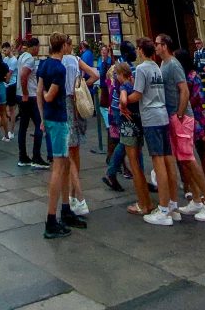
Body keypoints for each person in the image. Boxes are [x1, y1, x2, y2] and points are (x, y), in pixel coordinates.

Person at [155, 33, 205, 222]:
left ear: (165, 46)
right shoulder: (164, 64)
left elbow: (184, 90)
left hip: (180, 117)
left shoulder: (173, 64)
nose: (156, 47)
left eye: (158, 44)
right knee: (183, 160)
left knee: (189, 159)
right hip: (173, 116)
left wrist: (181, 114)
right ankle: (197, 200)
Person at [37, 32, 85, 238]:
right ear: (63, 47)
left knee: (65, 165)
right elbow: (48, 95)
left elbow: (39, 92)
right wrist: (48, 102)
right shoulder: (59, 67)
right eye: (68, 45)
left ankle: (66, 210)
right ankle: (50, 220)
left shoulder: (44, 64)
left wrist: (41, 118)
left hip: (51, 120)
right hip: (58, 121)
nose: (69, 47)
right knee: (58, 168)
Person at [125, 37, 177, 226]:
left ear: (140, 50)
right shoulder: (157, 66)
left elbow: (137, 94)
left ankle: (163, 210)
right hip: (162, 115)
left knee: (158, 162)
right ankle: (172, 204)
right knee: (167, 159)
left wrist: (124, 100)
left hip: (151, 118)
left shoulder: (141, 68)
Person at [103, 61, 153, 215]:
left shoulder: (125, 85)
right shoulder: (134, 83)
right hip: (137, 123)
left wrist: (123, 106)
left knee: (133, 162)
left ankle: (143, 202)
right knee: (135, 159)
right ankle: (147, 200)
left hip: (128, 126)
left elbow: (123, 99)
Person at [62, 35, 99, 217]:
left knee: (68, 155)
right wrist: (82, 86)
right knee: (75, 153)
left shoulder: (61, 61)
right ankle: (72, 196)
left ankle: (80, 199)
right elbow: (96, 75)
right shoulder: (76, 60)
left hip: (66, 107)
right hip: (77, 107)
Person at [175, 47, 205, 199]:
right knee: (189, 155)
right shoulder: (186, 76)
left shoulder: (191, 77)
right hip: (192, 118)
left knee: (194, 155)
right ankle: (192, 188)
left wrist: (182, 106)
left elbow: (198, 97)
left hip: (193, 119)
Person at [17, 36, 51, 168]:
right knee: (39, 124)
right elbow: (23, 75)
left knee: (23, 127)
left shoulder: (22, 56)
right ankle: (36, 157)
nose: (39, 50)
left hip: (21, 95)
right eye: (38, 47)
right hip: (29, 96)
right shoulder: (30, 59)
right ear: (35, 47)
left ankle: (23, 157)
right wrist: (25, 93)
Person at [1, 41, 18, 138]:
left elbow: (9, 73)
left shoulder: (14, 60)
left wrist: (5, 81)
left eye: (5, 50)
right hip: (5, 84)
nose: (4, 52)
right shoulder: (5, 59)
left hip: (11, 85)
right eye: (3, 50)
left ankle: (11, 131)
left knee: (11, 109)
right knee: (3, 108)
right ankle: (3, 130)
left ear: (9, 49)